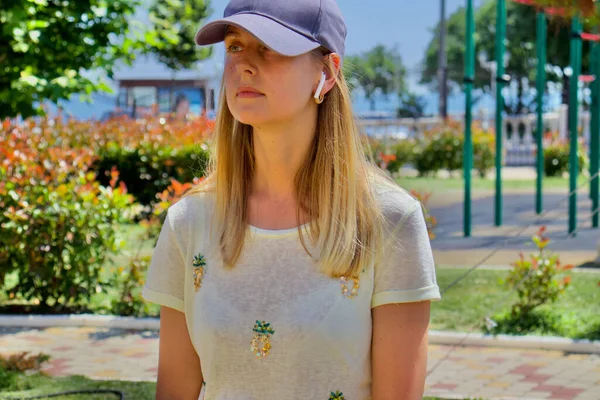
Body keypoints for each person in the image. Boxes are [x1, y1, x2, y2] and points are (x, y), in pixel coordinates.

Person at [142, 0, 441, 399]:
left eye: (270, 47)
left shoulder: (389, 219)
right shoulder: (189, 221)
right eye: (234, 46)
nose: (244, 65)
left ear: (328, 71)